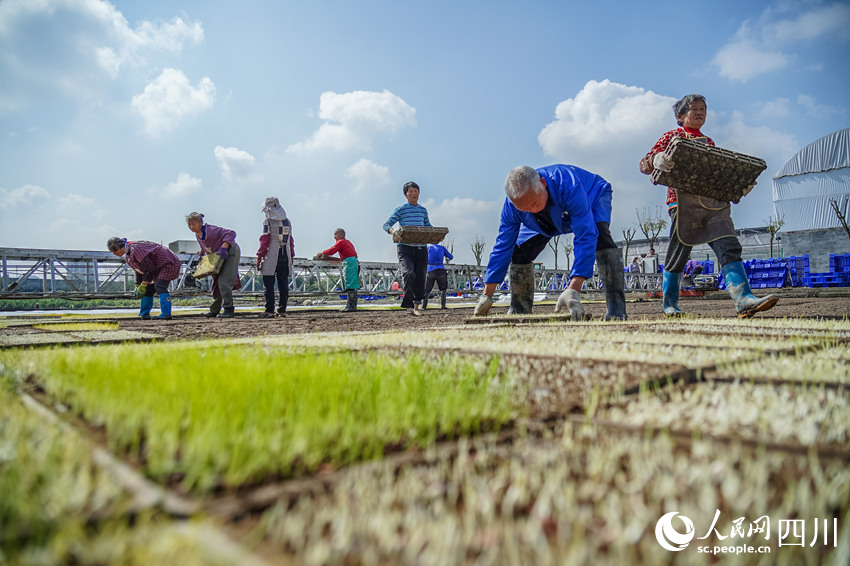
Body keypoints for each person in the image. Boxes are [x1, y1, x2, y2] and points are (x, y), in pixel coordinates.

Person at [639, 93, 777, 318]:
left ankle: (744, 300)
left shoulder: (709, 143)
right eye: (694, 109)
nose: (700, 112)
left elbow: (716, 176)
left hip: (713, 204)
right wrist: (656, 159)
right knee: (679, 252)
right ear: (681, 116)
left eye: (703, 108)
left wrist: (738, 185)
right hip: (682, 205)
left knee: (729, 246)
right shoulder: (671, 136)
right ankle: (670, 305)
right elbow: (644, 164)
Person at [473, 165, 627, 321]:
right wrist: (487, 295)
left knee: (600, 235)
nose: (532, 210)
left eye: (534, 203)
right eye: (524, 208)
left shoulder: (569, 186)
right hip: (546, 219)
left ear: (543, 183)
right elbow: (503, 246)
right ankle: (519, 310)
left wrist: (574, 288)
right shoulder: (512, 207)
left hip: (592, 195)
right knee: (520, 250)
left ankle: (616, 310)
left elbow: (585, 235)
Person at [383, 181, 432, 316]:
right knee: (409, 273)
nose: (414, 193)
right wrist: (394, 232)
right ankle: (408, 305)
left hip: (421, 248)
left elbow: (428, 227)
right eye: (411, 191)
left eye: (416, 191)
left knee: (421, 277)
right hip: (405, 247)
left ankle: (416, 307)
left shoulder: (423, 210)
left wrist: (436, 235)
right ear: (406, 194)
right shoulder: (401, 209)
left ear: (419, 193)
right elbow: (386, 224)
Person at [107, 237, 180, 320]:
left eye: (114, 251)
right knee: (148, 289)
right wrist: (138, 284)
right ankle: (144, 314)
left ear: (120, 247)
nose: (114, 254)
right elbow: (139, 270)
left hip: (168, 263)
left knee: (160, 286)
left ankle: (166, 313)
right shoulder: (128, 256)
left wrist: (143, 283)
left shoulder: (136, 249)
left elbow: (149, 269)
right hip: (157, 267)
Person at [186, 212, 241, 319]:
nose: (191, 227)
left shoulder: (210, 230)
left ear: (200, 223)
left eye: (193, 224)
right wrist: (202, 254)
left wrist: (224, 247)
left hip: (230, 251)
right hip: (217, 256)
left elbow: (231, 233)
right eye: (189, 224)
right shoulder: (198, 235)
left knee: (224, 281)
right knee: (216, 283)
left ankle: (229, 309)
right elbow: (205, 246)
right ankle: (214, 310)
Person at [256, 197, 294, 318]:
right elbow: (291, 241)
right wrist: (291, 255)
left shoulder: (268, 221)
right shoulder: (287, 221)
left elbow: (265, 240)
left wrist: (259, 255)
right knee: (283, 284)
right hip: (285, 254)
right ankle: (282, 310)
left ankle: (269, 310)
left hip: (272, 255)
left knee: (268, 283)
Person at [316, 228, 360, 312]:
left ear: (342, 234)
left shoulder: (341, 242)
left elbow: (332, 250)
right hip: (353, 262)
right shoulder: (348, 242)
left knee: (350, 285)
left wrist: (322, 253)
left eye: (336, 234)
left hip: (349, 263)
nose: (334, 237)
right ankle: (351, 306)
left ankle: (351, 307)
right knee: (352, 285)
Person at [422, 240, 453, 309]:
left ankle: (424, 306)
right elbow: (451, 257)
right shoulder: (442, 248)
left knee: (427, 289)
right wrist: (446, 258)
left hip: (430, 269)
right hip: (441, 269)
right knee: (443, 289)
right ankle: (443, 305)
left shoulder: (428, 248)